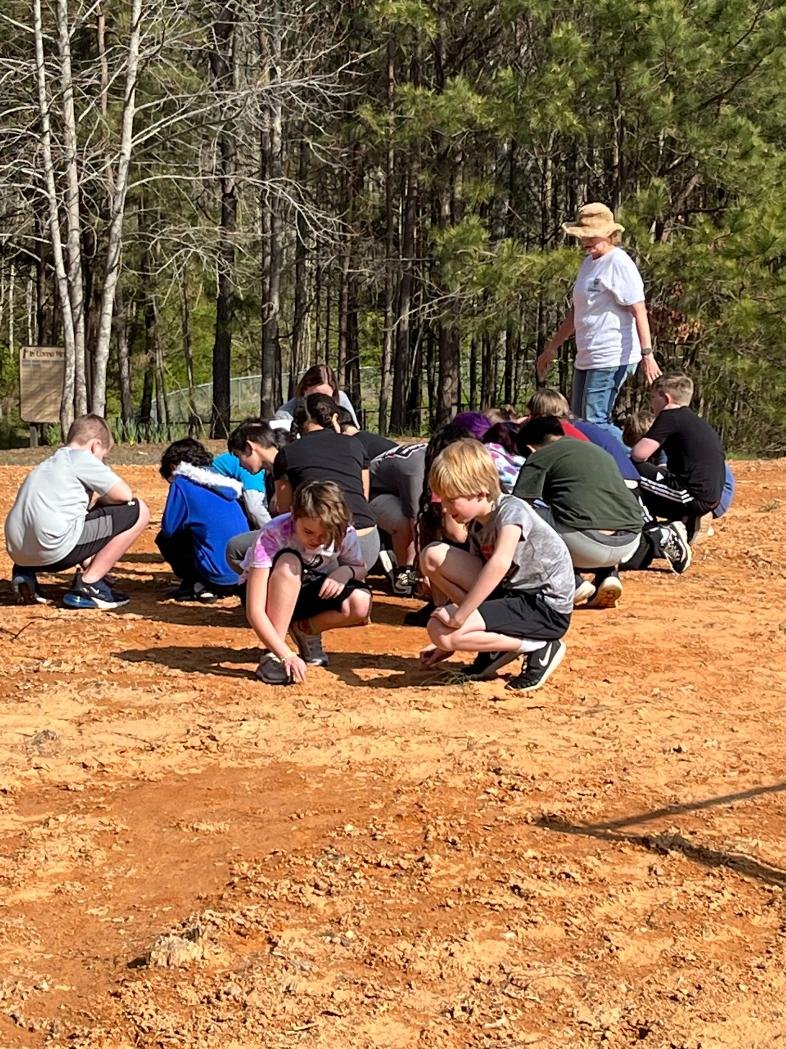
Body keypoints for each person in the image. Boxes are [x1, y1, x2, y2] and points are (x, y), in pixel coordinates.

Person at [419, 440, 574, 692]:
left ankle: (538, 646)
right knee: (431, 556)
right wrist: (449, 644)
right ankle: (494, 647)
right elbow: (481, 577)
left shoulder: (511, 510)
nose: (445, 508)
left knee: (444, 632)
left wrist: (459, 619)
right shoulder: (478, 524)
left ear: (479, 491)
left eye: (450, 499)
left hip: (543, 606)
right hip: (513, 594)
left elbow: (500, 563)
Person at [536, 202, 661, 436]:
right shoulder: (588, 264)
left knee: (595, 421)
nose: (585, 242)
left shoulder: (619, 263)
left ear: (609, 235)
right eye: (582, 237)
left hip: (611, 353)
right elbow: (577, 311)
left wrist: (647, 354)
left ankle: (635, 462)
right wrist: (552, 348)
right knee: (580, 421)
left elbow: (639, 309)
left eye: (591, 237)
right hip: (587, 354)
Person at [4, 414, 149, 609]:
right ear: (95, 446)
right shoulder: (80, 458)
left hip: (21, 554)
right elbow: (124, 495)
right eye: (102, 456)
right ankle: (89, 585)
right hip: (54, 550)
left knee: (77, 520)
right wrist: (101, 503)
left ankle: (25, 574)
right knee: (138, 510)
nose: (102, 461)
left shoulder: (47, 464)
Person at [243, 480, 372, 685]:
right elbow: (254, 610)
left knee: (360, 601)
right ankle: (274, 654)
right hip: (271, 591)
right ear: (294, 515)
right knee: (289, 562)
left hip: (309, 590)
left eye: (324, 535)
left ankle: (305, 629)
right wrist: (286, 655)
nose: (317, 540)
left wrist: (345, 571)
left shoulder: (344, 532)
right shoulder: (273, 533)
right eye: (308, 532)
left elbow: (360, 568)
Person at [514, 415, 644, 608]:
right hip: (629, 543)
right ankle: (607, 575)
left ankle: (573, 582)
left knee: (524, 519)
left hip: (587, 545)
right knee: (592, 509)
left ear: (530, 448)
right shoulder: (596, 450)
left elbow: (518, 507)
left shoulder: (540, 455)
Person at [273, 394, 380, 571]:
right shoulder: (355, 444)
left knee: (236, 549)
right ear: (335, 417)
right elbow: (363, 497)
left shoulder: (287, 453)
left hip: (319, 546)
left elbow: (285, 513)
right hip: (366, 540)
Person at [156, 438, 249, 602]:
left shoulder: (182, 482)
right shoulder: (220, 480)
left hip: (217, 576)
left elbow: (169, 528)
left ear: (172, 467)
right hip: (241, 574)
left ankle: (199, 584)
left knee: (165, 539)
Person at [631, 374, 727, 527]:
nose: (651, 404)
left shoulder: (670, 415)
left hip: (692, 496)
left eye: (653, 397)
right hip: (711, 497)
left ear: (666, 398)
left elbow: (638, 454)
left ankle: (654, 533)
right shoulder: (695, 421)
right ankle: (686, 521)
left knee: (626, 469)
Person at [528, 388, 640, 484]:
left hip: (617, 481)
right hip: (627, 476)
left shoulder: (559, 431)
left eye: (531, 414)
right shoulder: (577, 425)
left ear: (538, 414)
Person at [369, 440, 427, 594]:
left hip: (397, 489)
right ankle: (404, 572)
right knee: (404, 522)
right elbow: (416, 521)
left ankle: (393, 551)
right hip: (372, 492)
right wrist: (425, 568)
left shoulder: (430, 456)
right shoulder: (416, 469)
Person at [213, 419, 290, 528]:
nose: (239, 464)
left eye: (238, 456)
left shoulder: (290, 464)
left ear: (249, 447)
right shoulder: (271, 476)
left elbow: (255, 508)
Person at [277, 364, 360, 427]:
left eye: (327, 398)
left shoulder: (341, 398)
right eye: (316, 397)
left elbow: (354, 431)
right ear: (304, 390)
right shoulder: (284, 415)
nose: (322, 402)